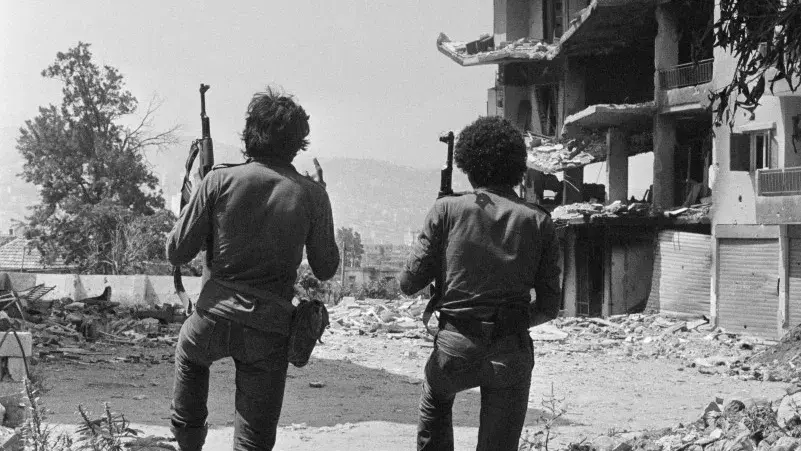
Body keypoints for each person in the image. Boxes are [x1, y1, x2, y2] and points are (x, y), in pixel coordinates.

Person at [166, 87, 339, 451]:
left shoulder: (218, 180)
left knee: (189, 352)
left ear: (249, 135)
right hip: (269, 328)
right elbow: (325, 268)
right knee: (253, 441)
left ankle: (188, 437)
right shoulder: (312, 194)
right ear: (298, 143)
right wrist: (321, 205)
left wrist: (194, 201)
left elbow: (177, 251)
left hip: (213, 318)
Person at [399, 116, 562, 451]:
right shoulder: (539, 221)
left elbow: (408, 283)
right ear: (517, 169)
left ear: (469, 167)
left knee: (435, 402)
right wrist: (508, 324)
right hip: (510, 351)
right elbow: (549, 307)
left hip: (454, 347)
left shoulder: (447, 210)